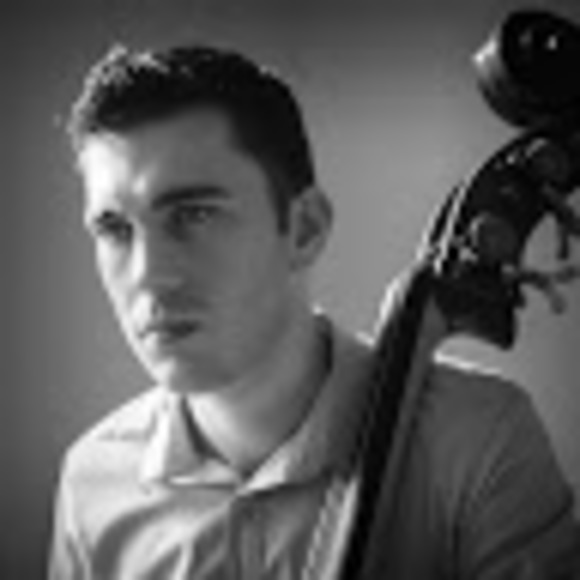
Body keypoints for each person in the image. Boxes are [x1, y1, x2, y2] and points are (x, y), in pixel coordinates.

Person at [49, 43, 580, 579]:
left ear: (305, 229)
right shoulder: (92, 484)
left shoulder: (478, 438)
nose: (149, 274)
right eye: (114, 229)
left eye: (194, 215)